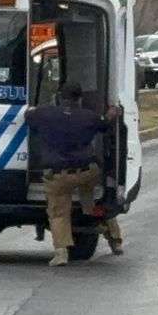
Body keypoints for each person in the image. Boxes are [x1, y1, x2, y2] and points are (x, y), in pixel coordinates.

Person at [25, 82, 125, 267]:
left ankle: (61, 253)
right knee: (95, 203)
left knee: (58, 213)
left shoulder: (44, 114)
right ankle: (114, 237)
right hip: (87, 173)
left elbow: (28, 116)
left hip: (59, 177)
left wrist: (32, 108)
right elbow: (105, 123)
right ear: (79, 99)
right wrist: (112, 113)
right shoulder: (88, 116)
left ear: (59, 98)